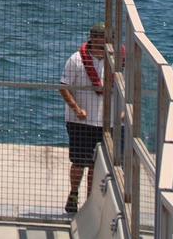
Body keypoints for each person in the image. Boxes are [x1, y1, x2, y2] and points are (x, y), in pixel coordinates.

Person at [59, 23, 111, 213]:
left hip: (104, 121)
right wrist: (76, 108)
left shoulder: (114, 61)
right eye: (98, 37)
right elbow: (63, 87)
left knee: (95, 165)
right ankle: (74, 194)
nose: (101, 42)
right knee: (79, 161)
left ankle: (90, 199)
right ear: (92, 38)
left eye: (104, 38)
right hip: (79, 120)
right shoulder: (76, 60)